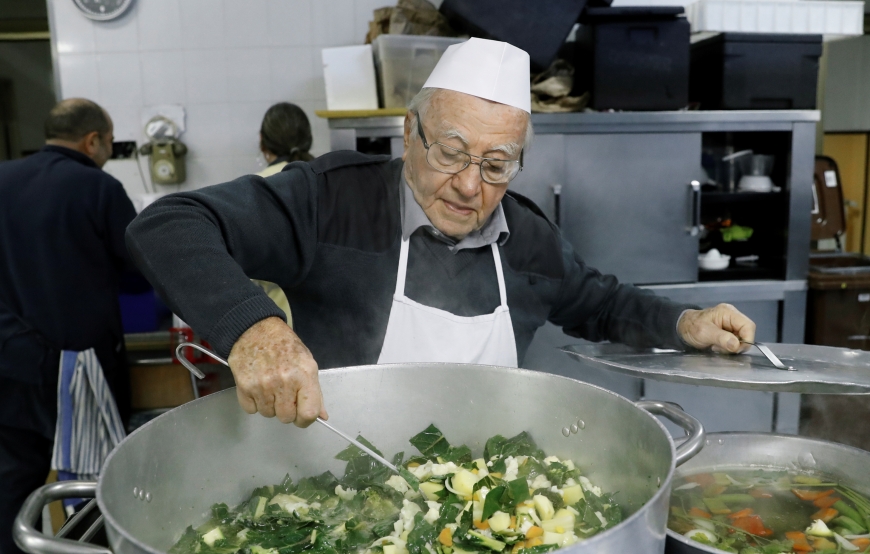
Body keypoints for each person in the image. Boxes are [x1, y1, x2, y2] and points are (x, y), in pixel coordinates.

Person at [126, 38, 755, 431]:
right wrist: (252, 328)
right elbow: (168, 225)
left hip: (485, 501)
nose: (469, 185)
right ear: (408, 134)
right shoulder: (332, 200)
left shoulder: (530, 241)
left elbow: (604, 301)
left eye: (496, 164)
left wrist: (685, 322)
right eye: (452, 152)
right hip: (333, 489)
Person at [0, 98, 137, 554]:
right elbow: (138, 267)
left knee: (14, 486)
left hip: (9, 363)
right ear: (93, 140)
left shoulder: (3, 178)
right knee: (92, 483)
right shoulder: (97, 187)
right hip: (79, 369)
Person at [252, 102, 315, 326]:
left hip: (283, 325)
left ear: (262, 141)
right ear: (309, 139)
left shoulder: (256, 188)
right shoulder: (331, 177)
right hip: (344, 326)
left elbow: (249, 267)